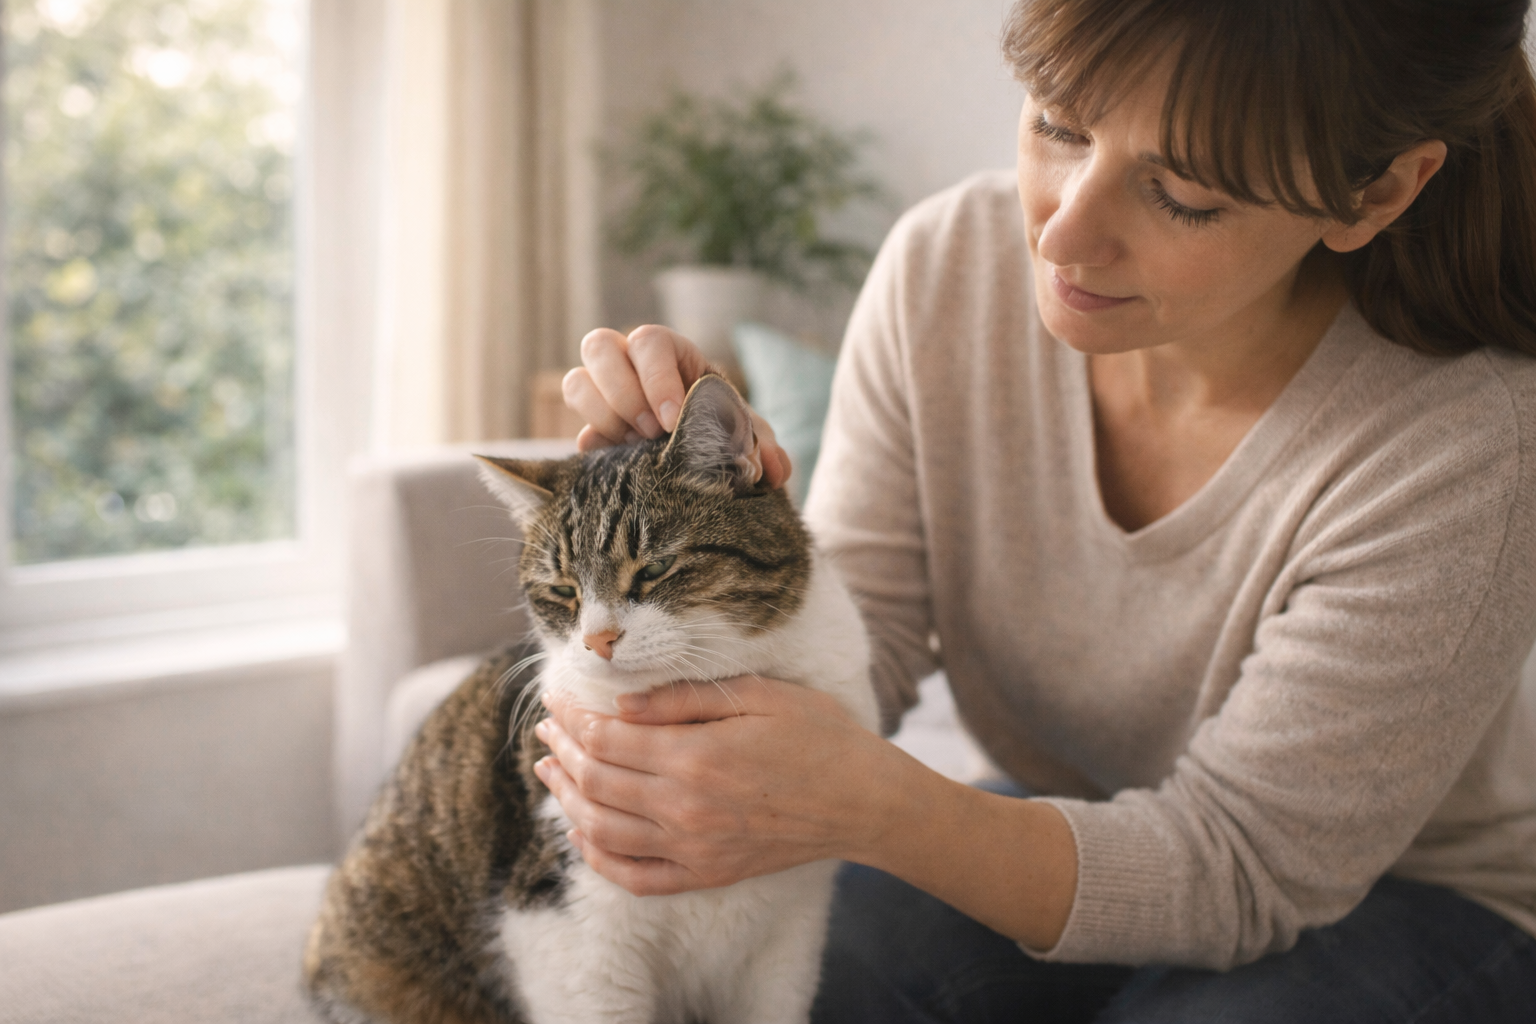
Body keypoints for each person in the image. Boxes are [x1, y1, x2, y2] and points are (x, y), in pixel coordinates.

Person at [533, 0, 1536, 1019]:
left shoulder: (1464, 438)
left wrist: (877, 803)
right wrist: (715, 522)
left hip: (1402, 901)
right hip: (1058, 820)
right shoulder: (945, 267)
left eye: (1183, 194)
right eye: (1059, 124)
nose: (1063, 230)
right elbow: (857, 656)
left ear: (1377, 190)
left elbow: (1243, 867)